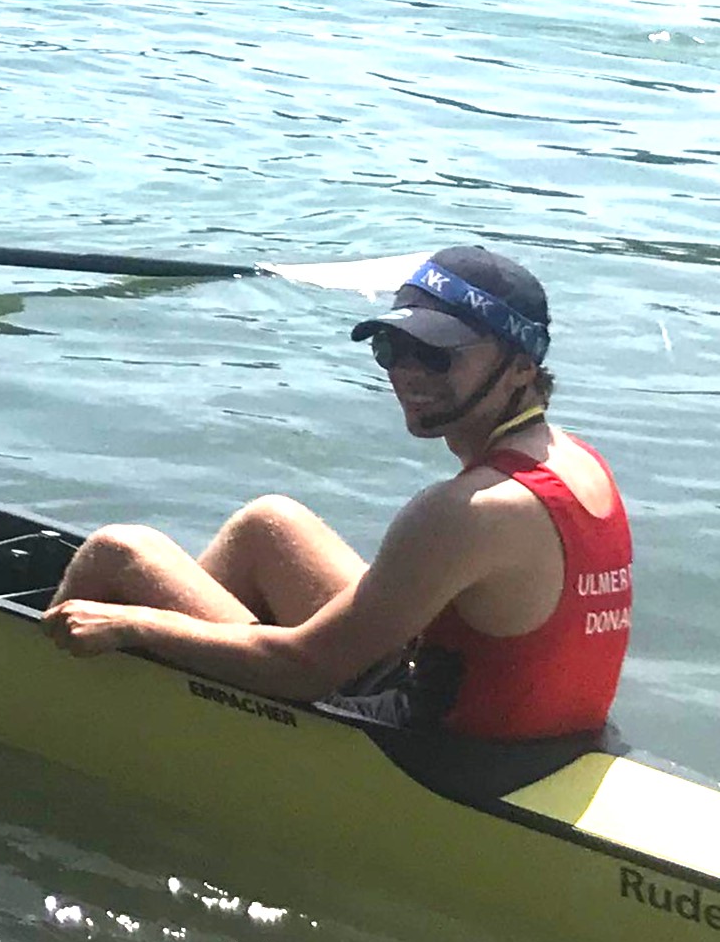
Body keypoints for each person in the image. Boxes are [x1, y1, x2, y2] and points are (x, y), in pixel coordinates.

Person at [41, 247, 631, 744]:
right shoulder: (576, 462)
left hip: (428, 754)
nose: (408, 373)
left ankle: (56, 712)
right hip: (499, 718)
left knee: (121, 552)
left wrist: (136, 624)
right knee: (267, 524)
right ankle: (184, 709)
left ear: (522, 369)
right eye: (393, 348)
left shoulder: (467, 511)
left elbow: (302, 671)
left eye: (436, 354)